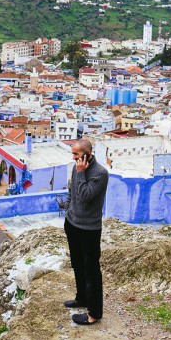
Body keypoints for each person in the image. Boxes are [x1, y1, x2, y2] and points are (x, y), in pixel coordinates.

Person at [63, 138, 109, 325]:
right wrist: (68, 212)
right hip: (73, 224)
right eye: (73, 153)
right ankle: (81, 297)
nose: (74, 158)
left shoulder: (100, 173)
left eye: (76, 154)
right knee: (77, 264)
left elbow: (85, 196)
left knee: (91, 271)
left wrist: (81, 173)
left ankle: (94, 313)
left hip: (89, 229)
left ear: (88, 153)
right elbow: (72, 193)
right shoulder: (76, 168)